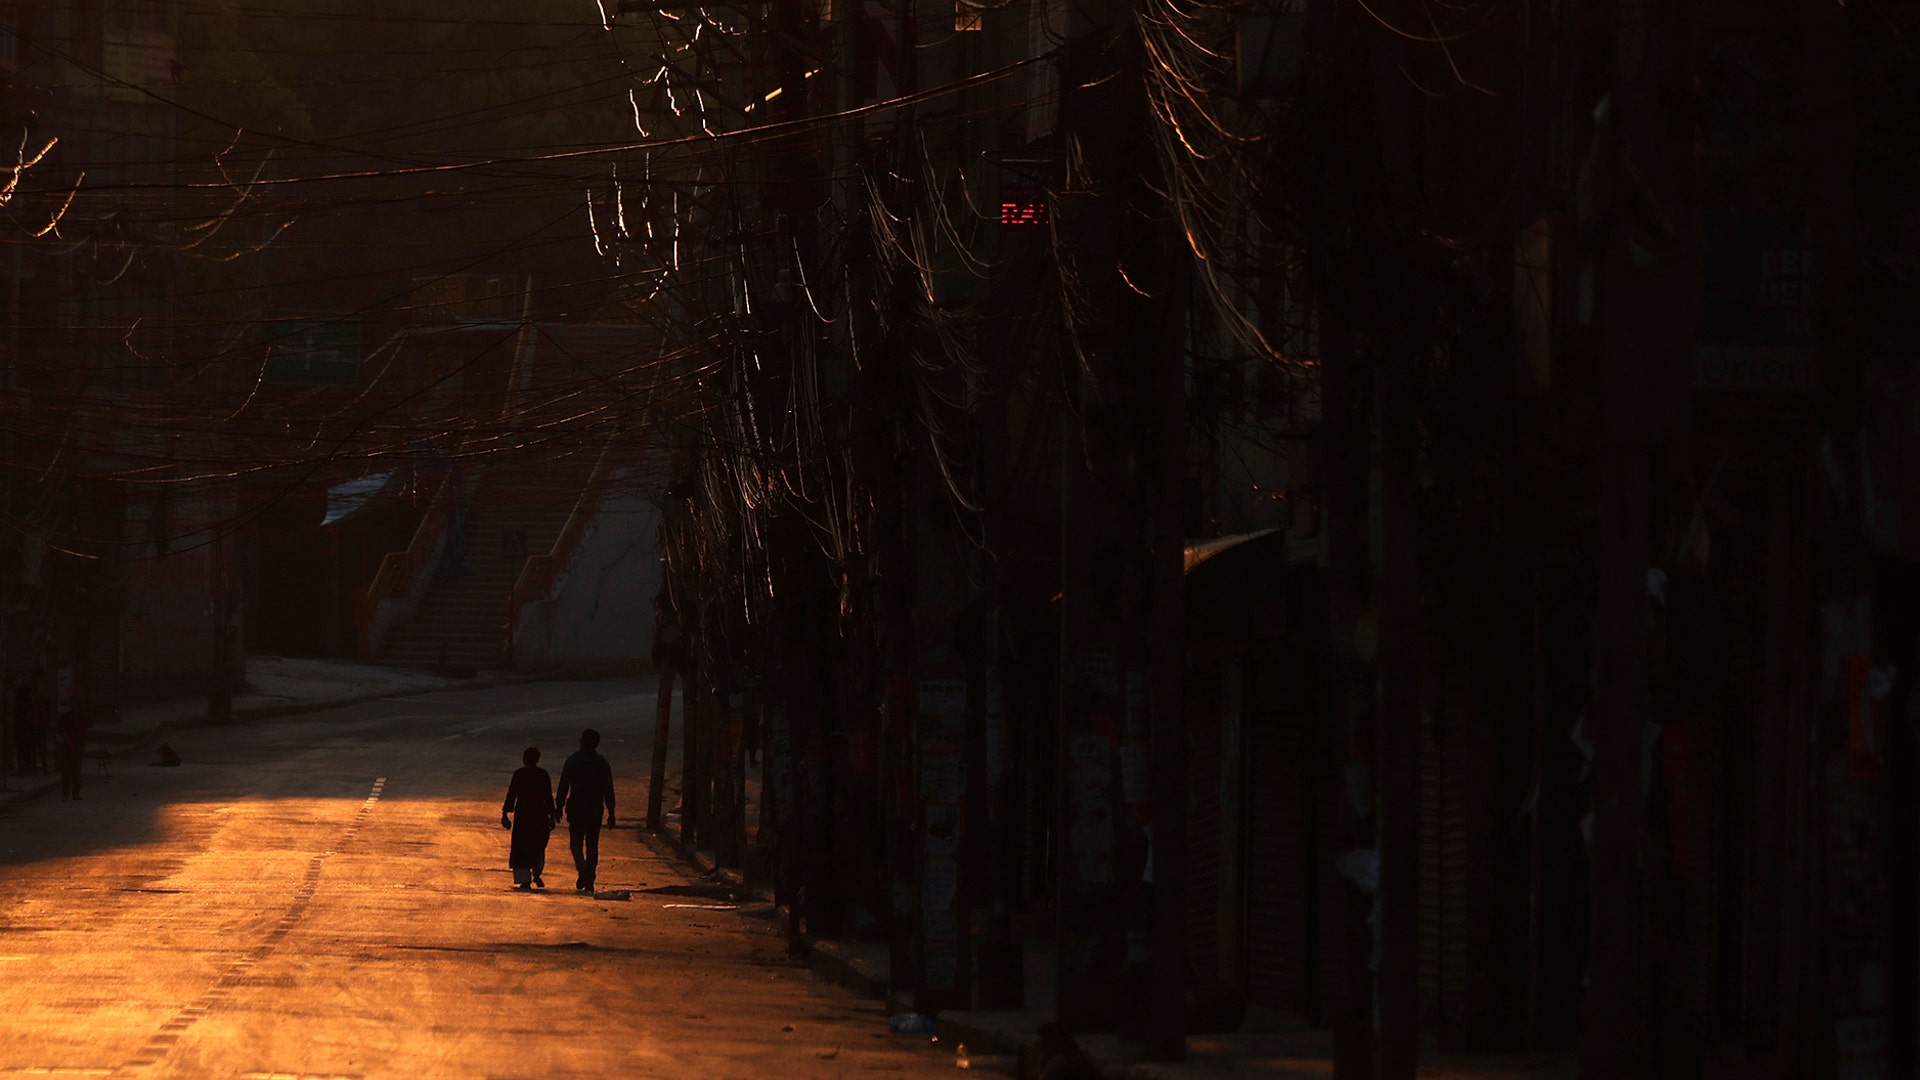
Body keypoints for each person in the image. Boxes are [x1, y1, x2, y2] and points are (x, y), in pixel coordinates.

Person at [555, 727, 616, 892]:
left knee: (575, 844)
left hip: (576, 808)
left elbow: (563, 785)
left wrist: (558, 806)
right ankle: (589, 875)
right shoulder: (602, 763)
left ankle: (583, 871)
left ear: (583, 743)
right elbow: (608, 789)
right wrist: (611, 812)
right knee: (592, 845)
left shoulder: (573, 761)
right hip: (595, 809)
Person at [501, 746, 555, 891]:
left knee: (521, 847)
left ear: (524, 759)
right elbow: (548, 797)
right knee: (538, 846)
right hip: (539, 815)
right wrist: (552, 815)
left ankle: (525, 880)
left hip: (523, 816)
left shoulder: (519, 774)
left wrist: (505, 814)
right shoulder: (543, 775)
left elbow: (511, 794)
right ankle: (536, 872)